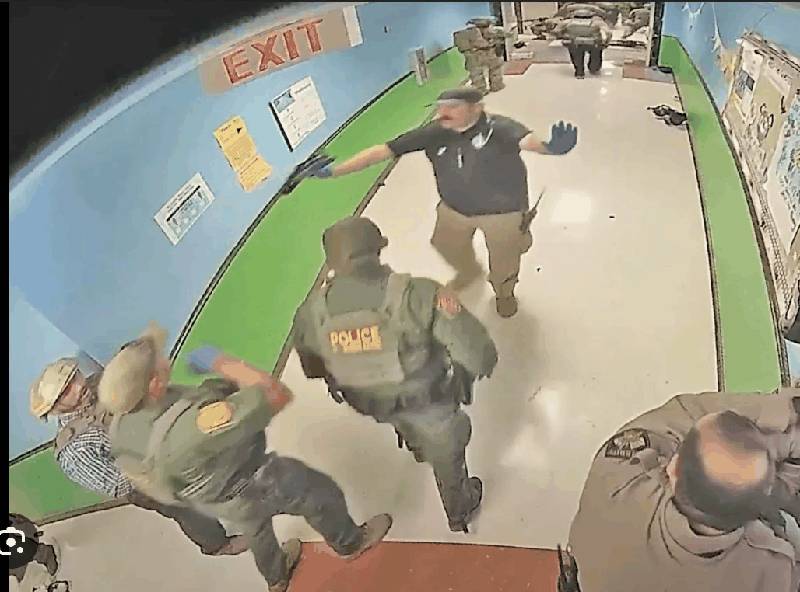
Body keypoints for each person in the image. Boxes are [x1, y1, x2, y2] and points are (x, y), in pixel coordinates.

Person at [98, 323, 391, 592]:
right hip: (254, 480)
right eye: (159, 362)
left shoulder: (120, 428)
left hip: (211, 498)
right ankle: (350, 542)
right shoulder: (195, 424)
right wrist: (222, 363)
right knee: (320, 494)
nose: (166, 359)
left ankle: (277, 579)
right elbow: (275, 394)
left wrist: (212, 391)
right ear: (153, 385)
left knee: (257, 533)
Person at [291, 216, 499, 533]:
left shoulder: (311, 311)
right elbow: (480, 354)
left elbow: (313, 367)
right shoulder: (418, 294)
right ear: (377, 249)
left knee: (402, 420)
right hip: (429, 405)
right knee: (447, 454)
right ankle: (459, 509)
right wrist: (463, 375)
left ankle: (417, 447)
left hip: (369, 402)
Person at [308, 87, 578, 318]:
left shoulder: (501, 129)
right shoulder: (435, 133)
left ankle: (504, 292)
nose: (442, 114)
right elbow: (383, 150)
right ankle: (469, 271)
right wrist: (335, 171)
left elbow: (529, 141)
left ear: (475, 108)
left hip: (502, 213)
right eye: (440, 108)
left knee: (505, 260)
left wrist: (550, 147)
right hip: (453, 209)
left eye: (452, 107)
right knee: (444, 245)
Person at [567, 389, 800, 591]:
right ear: (760, 509)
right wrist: (786, 415)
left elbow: (685, 410)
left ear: (672, 469)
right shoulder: (771, 570)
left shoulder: (617, 477)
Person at [29, 358, 247, 557]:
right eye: (66, 390)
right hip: (144, 479)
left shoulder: (98, 384)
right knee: (188, 509)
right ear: (55, 407)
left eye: (74, 376)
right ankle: (217, 545)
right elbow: (118, 484)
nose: (79, 386)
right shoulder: (75, 450)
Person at [453, 17, 508, 94]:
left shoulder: (477, 32)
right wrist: (493, 42)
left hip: (482, 53)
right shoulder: (471, 33)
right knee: (478, 72)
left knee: (494, 67)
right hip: (475, 54)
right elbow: (481, 43)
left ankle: (493, 86)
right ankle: (482, 89)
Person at [554, 9, 612, 79]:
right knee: (596, 54)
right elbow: (608, 33)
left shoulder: (567, 22)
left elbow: (556, 31)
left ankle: (579, 72)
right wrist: (606, 42)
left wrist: (563, 35)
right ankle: (594, 68)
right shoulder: (597, 22)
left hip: (574, 42)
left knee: (576, 55)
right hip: (593, 43)